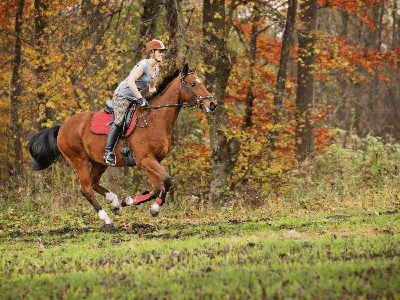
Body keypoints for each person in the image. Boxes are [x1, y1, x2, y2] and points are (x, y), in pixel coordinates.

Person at [103, 39, 166, 166]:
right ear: (152, 52)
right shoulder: (143, 65)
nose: (162, 54)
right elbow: (131, 82)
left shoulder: (156, 69)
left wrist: (157, 101)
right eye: (160, 52)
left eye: (162, 52)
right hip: (122, 95)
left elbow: (152, 88)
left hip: (135, 97)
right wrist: (140, 98)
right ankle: (108, 152)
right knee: (119, 121)